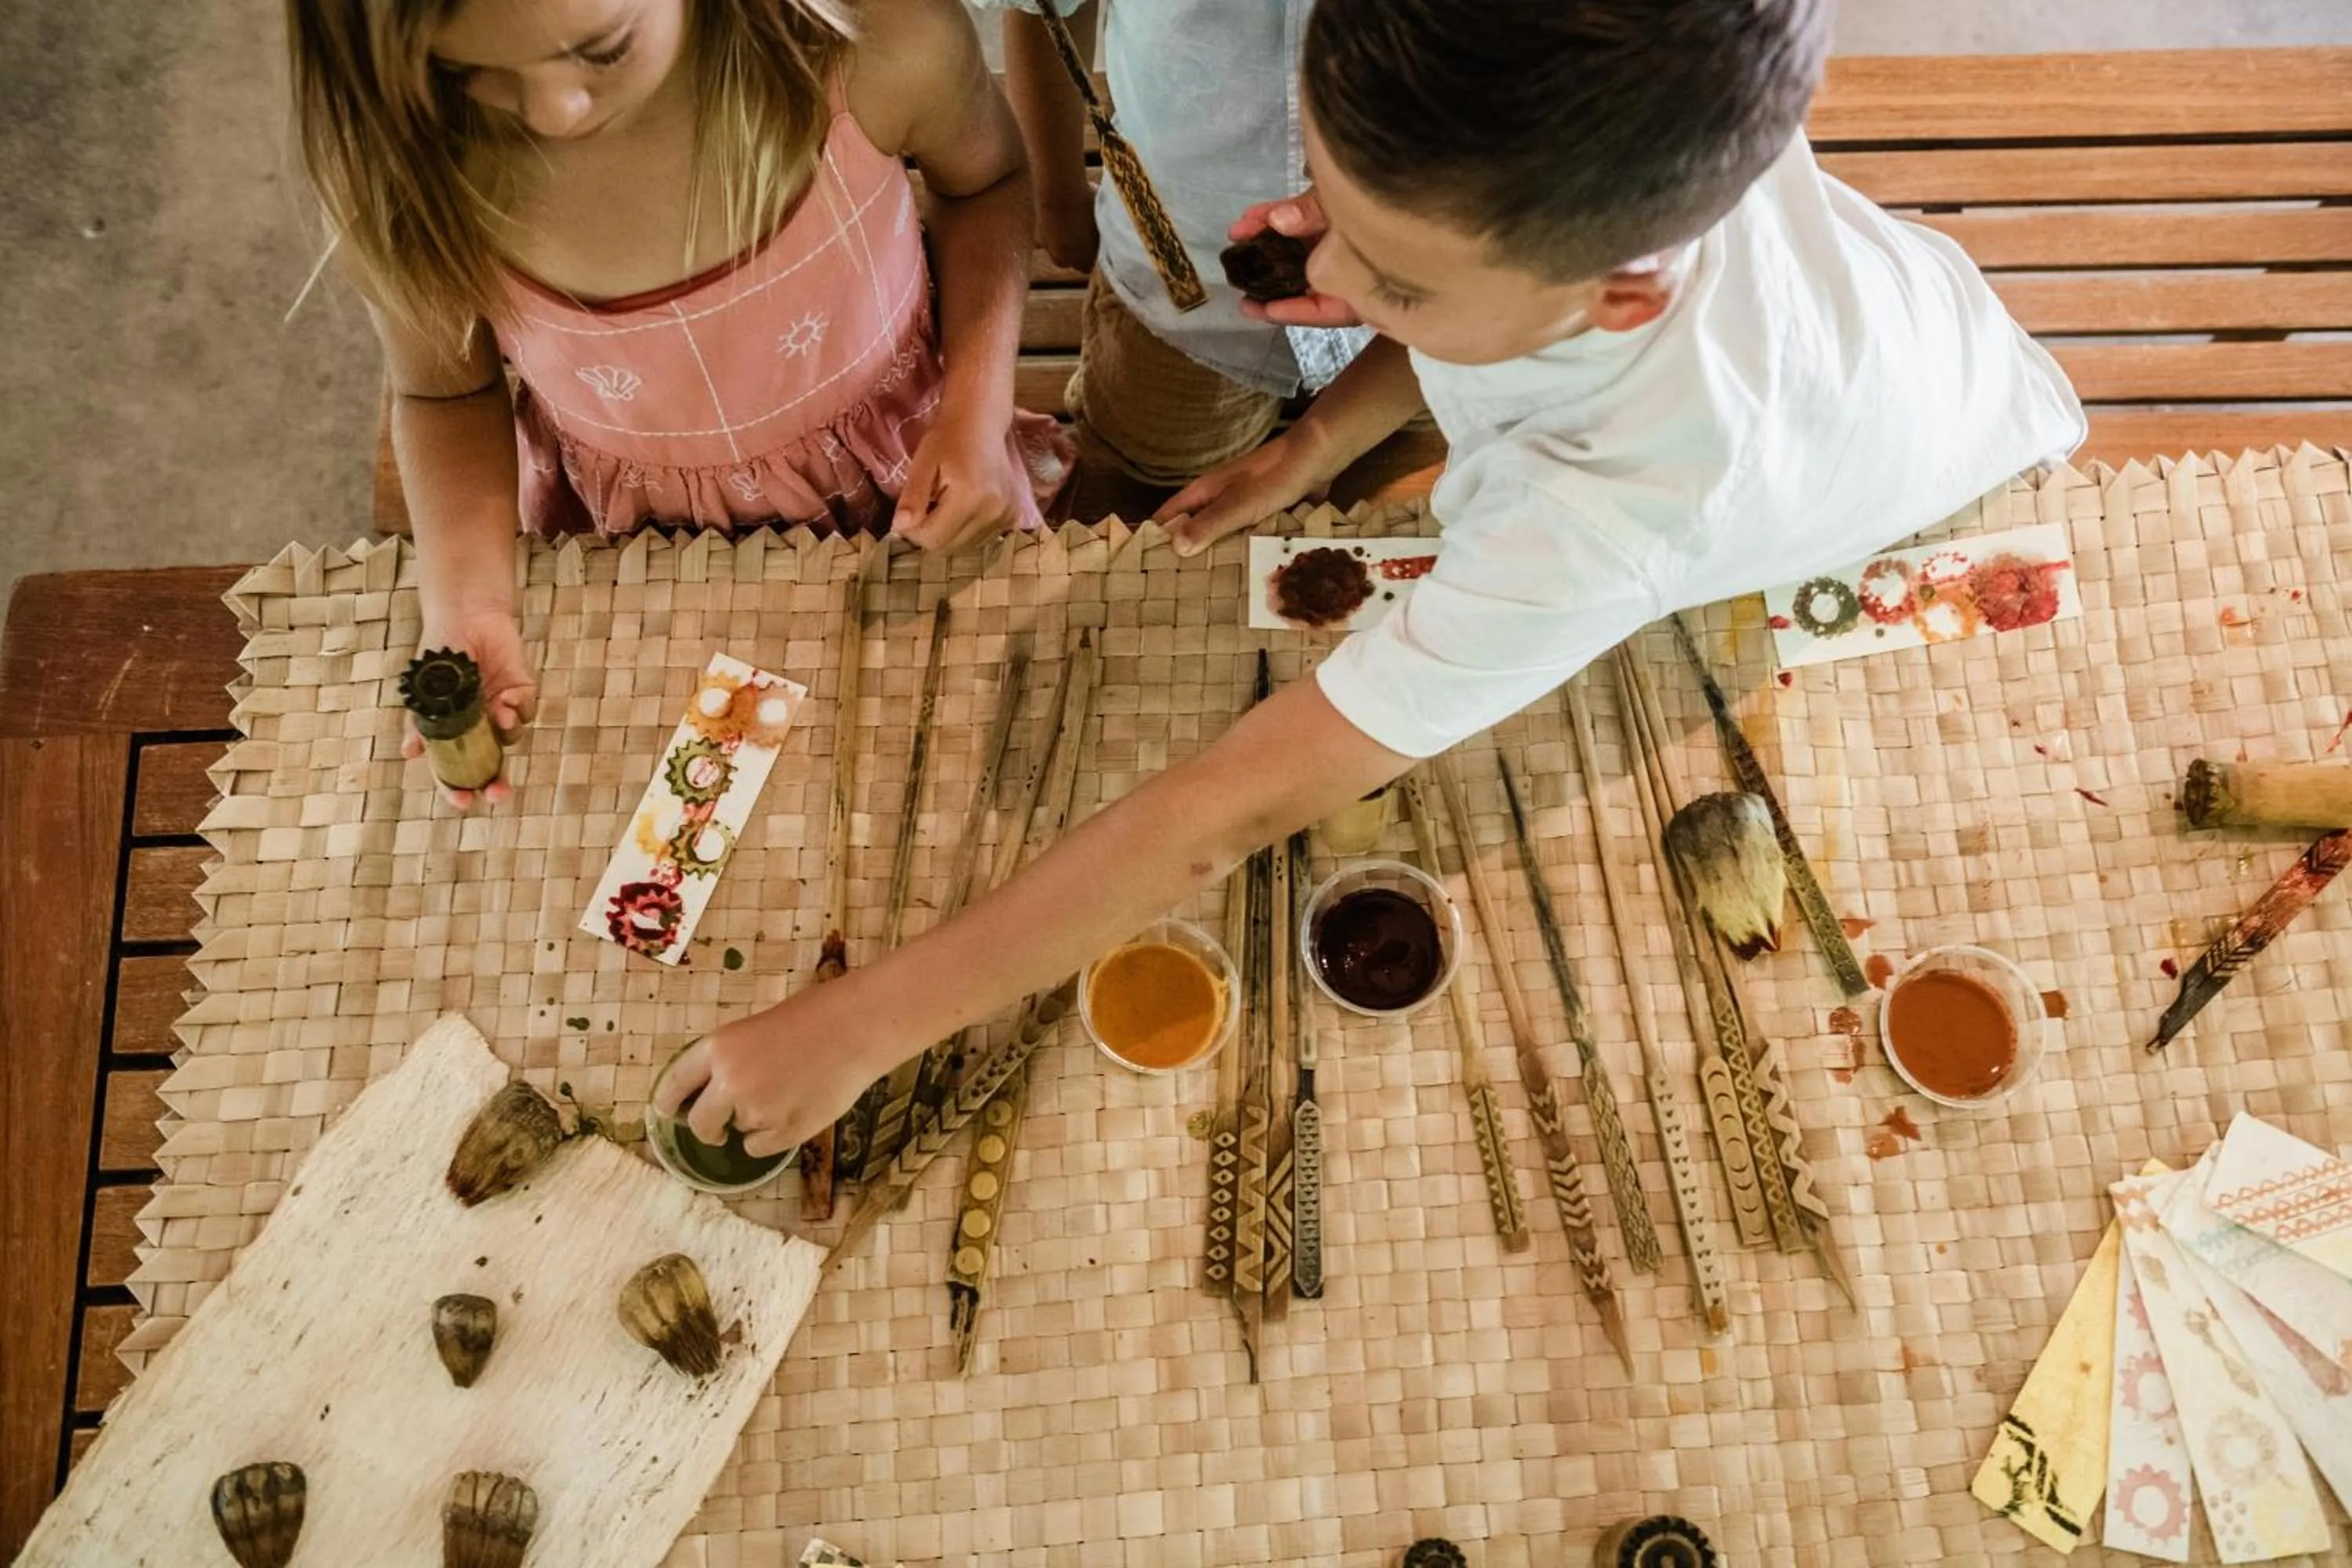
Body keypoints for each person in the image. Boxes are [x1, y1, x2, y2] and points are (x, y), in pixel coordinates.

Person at [657, 0, 2084, 1154]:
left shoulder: (1601, 519)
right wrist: (1322, 437)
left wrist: (861, 1026)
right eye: (1322, 201)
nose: (1316, 277)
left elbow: (1224, 813)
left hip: (1918, 465)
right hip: (1892, 314)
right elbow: (1484, 294)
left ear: (1619, 293)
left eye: (1386, 281)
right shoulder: (1615, 143)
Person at [289, 0, 1071, 805]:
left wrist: (978, 407)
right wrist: (470, 595)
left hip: (910, 486)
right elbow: (446, 391)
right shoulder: (403, 165)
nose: (555, 112)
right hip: (636, 548)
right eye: (468, 71)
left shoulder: (880, 45)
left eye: (603, 49)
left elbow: (986, 185)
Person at [989, 0, 1403, 504]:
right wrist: (1055, 199)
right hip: (1179, 267)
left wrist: (1320, 447)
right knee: (1158, 461)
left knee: (1399, 452)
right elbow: (1045, 11)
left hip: (1414, 276)